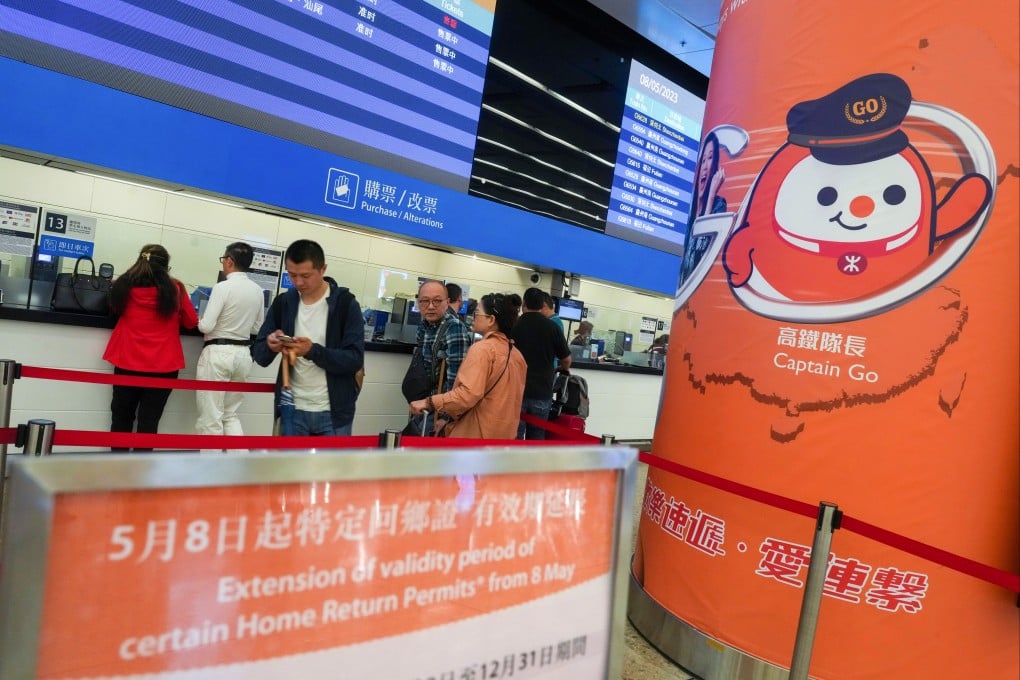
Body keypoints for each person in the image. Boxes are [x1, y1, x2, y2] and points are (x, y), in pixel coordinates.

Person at [252, 239, 364, 436]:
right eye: (292, 275)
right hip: (291, 410)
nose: (298, 282)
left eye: (305, 275)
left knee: (332, 468)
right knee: (289, 468)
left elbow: (354, 359)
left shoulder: (346, 305)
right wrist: (271, 345)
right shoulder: (284, 303)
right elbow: (260, 356)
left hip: (334, 413)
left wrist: (312, 351)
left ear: (323, 270)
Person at [103, 244, 198, 451]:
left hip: (127, 360)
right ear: (166, 267)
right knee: (149, 421)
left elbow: (113, 311)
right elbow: (191, 321)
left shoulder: (123, 286)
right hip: (163, 365)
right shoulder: (176, 289)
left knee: (121, 417)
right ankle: (141, 472)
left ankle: (115, 466)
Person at [409, 293, 526, 439]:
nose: (472, 317)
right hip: (504, 437)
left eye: (477, 313)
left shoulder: (482, 350)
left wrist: (429, 402)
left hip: (475, 436)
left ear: (491, 320)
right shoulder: (517, 356)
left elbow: (467, 395)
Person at [195, 242, 266, 437]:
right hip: (243, 355)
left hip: (218, 353)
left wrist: (200, 321)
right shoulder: (257, 291)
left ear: (230, 261)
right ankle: (237, 463)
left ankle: (212, 467)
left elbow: (207, 326)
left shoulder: (222, 287)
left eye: (223, 259)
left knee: (211, 417)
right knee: (230, 415)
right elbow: (258, 327)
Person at [406, 279, 473, 435]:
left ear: (447, 302)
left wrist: (446, 416)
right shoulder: (424, 325)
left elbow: (456, 378)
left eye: (437, 301)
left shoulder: (454, 327)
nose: (430, 306)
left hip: (439, 408)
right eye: (424, 301)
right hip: (424, 400)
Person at [511, 287, 572, 439]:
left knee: (515, 436)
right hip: (542, 391)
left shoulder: (514, 325)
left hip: (517, 390)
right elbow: (566, 359)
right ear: (542, 305)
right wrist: (561, 368)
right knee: (537, 437)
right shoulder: (552, 327)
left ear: (524, 303)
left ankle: (514, 463)